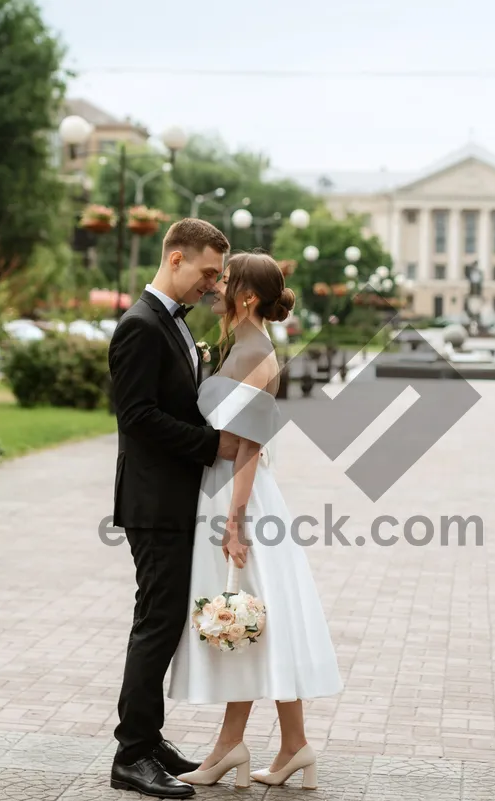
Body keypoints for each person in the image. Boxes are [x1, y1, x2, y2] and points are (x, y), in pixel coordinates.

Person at [168, 252, 344, 791]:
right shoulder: (246, 345)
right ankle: (292, 747)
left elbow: (247, 448)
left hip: (237, 497)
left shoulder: (252, 351)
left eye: (226, 280)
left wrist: (235, 521)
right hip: (234, 494)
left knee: (251, 618)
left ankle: (234, 748)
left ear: (245, 296)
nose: (216, 286)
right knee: (262, 620)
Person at [108, 218, 242, 799]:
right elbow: (136, 417)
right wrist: (215, 445)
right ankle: (131, 755)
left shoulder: (173, 325)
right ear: (176, 257)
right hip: (154, 502)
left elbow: (179, 404)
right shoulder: (139, 326)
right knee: (155, 625)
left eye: (218, 276)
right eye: (208, 273)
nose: (212, 286)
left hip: (176, 498)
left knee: (163, 625)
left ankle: (149, 738)